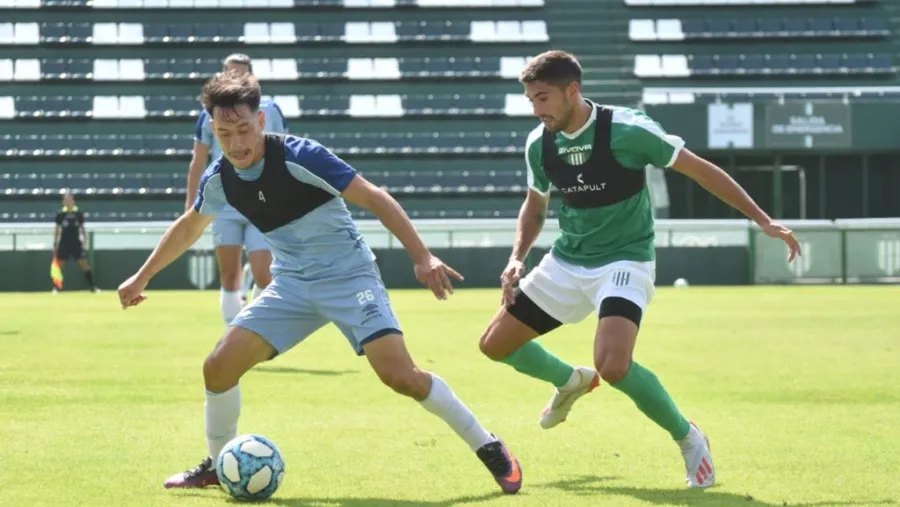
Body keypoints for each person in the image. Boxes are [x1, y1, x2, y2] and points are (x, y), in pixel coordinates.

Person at [117, 70, 522, 495]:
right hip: (291, 285)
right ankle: (220, 465)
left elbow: (375, 197)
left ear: (261, 121)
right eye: (224, 134)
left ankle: (488, 444)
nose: (235, 144)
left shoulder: (302, 156)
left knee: (401, 376)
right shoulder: (220, 177)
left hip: (350, 278)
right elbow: (189, 226)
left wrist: (422, 256)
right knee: (218, 367)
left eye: (243, 130)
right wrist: (142, 276)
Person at [477, 50, 802, 489]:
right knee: (495, 344)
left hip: (625, 259)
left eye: (543, 98)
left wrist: (762, 220)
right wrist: (517, 257)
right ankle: (570, 381)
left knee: (613, 365)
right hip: (567, 260)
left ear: (572, 91)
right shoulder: (540, 143)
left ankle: (689, 437)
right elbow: (535, 207)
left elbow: (701, 171)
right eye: (531, 100)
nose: (537, 110)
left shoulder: (628, 130)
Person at [186, 53, 289, 322]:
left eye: (242, 73)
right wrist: (191, 207)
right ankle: (234, 335)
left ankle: (257, 332)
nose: (236, 79)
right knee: (229, 275)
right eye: (231, 73)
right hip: (224, 202)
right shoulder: (209, 114)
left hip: (261, 201)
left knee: (264, 273)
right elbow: (198, 160)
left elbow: (283, 154)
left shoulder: (269, 109)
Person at [52, 192, 99, 293]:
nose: (68, 201)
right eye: (66, 199)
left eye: (70, 199)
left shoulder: (78, 214)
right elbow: (57, 230)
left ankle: (92, 287)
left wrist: (85, 241)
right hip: (64, 243)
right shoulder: (60, 214)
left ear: (73, 201)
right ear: (64, 201)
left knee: (85, 264)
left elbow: (83, 229)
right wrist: (55, 244)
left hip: (76, 243)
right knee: (59, 265)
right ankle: (56, 288)